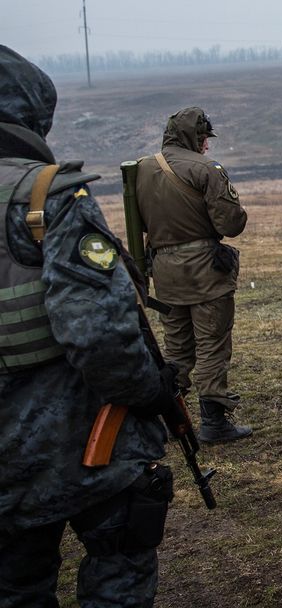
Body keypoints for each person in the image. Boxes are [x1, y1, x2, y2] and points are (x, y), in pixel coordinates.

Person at [0, 45, 173, 605]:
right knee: (119, 559)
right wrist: (151, 392)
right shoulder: (47, 197)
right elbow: (98, 332)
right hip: (71, 438)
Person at [135, 106, 251, 443]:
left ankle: (169, 421)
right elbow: (230, 224)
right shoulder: (207, 170)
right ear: (194, 137)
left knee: (176, 350)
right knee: (213, 344)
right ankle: (215, 423)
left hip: (164, 273)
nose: (207, 146)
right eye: (204, 138)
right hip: (205, 273)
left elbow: (137, 222)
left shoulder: (141, 169)